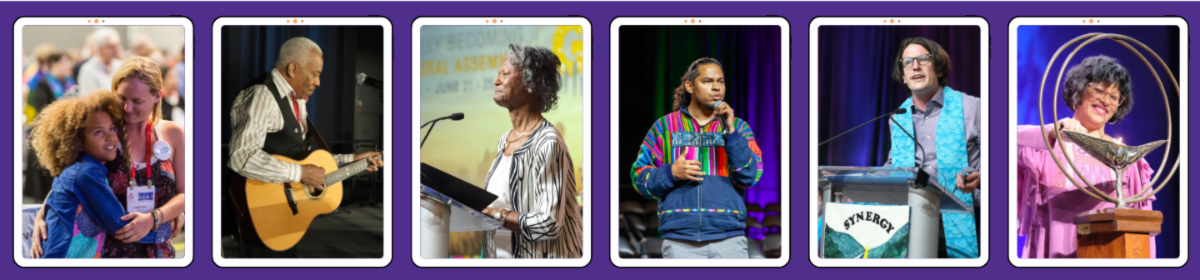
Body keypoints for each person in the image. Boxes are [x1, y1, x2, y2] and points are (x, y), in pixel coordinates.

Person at [227, 37, 383, 257]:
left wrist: (354, 159)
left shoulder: (297, 100)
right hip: (262, 214)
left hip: (287, 217)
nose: (318, 82)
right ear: (293, 68)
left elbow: (306, 159)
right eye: (316, 73)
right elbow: (241, 157)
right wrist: (300, 173)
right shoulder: (262, 96)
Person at [29, 58, 186, 258]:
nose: (128, 108)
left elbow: (186, 193)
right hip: (106, 253)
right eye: (122, 98)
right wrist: (41, 217)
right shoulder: (99, 133)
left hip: (157, 251)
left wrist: (158, 217)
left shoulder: (172, 133)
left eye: (137, 101)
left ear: (157, 96)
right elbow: (68, 180)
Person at [1016, 55, 1154, 258]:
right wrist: (1052, 131)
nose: (1106, 101)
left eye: (1114, 97)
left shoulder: (1128, 160)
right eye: (1098, 90)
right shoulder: (1042, 148)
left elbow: (1143, 231)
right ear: (1079, 90)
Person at [629, 57, 764, 259]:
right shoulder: (664, 127)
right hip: (679, 242)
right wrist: (671, 172)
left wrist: (731, 133)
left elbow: (750, 176)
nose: (716, 87)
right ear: (690, 86)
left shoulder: (740, 128)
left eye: (720, 81)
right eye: (708, 81)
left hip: (729, 241)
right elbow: (639, 178)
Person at [477, 43, 583, 259]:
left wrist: (495, 214)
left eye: (505, 74)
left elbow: (549, 223)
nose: (496, 81)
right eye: (498, 75)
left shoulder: (547, 142)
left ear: (533, 82)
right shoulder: (504, 140)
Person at [883, 37, 981, 258]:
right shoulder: (897, 117)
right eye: (907, 62)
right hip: (912, 218)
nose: (915, 66)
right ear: (904, 77)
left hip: (968, 218)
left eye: (923, 59)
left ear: (938, 69)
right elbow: (893, 164)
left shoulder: (973, 108)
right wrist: (865, 185)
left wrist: (981, 177)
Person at [77, 28, 123, 95]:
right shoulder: (88, 70)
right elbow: (88, 99)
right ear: (100, 49)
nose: (116, 50)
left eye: (117, 46)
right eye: (111, 47)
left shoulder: (119, 65)